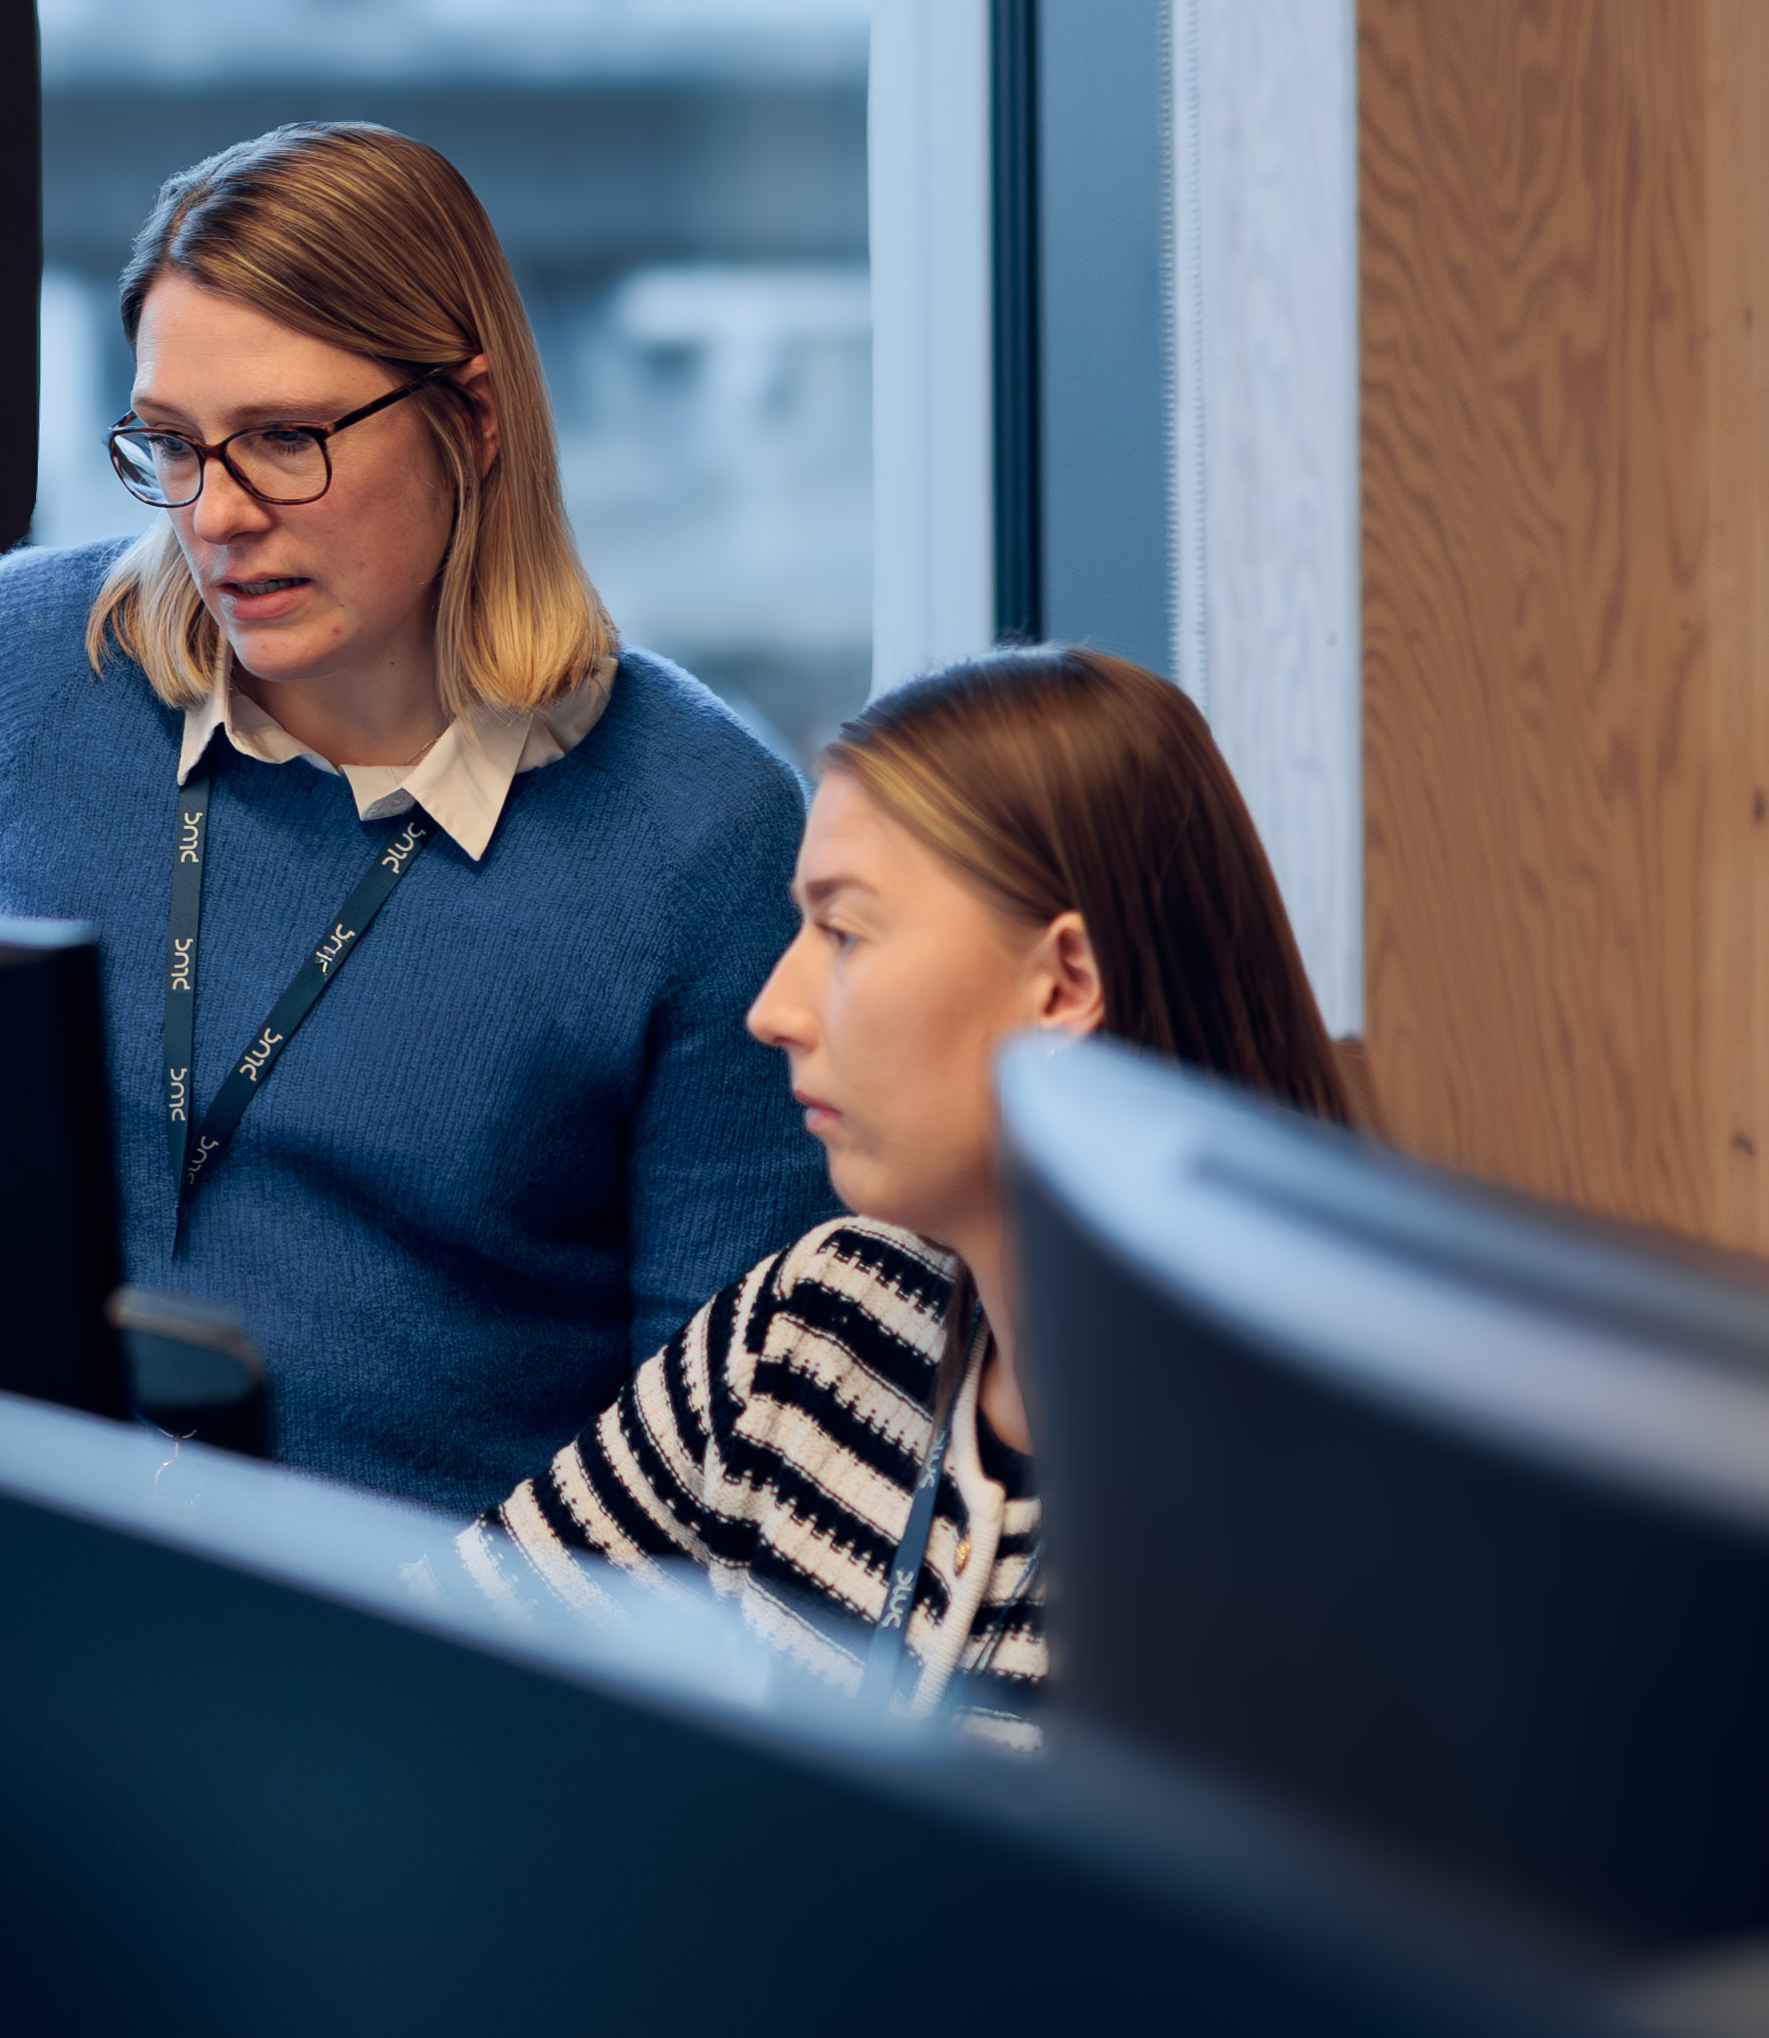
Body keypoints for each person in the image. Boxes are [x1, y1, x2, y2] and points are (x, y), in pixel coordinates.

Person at [0, 122, 829, 1508]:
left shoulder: (704, 835)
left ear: (473, 417)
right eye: (170, 447)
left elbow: (724, 1460)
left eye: (282, 441)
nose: (215, 516)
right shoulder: (23, 666)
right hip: (19, 1559)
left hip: (432, 1647)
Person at [447, 645, 1354, 1741]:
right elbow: (430, 1665)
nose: (772, 1010)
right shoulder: (814, 1324)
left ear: (1065, 983)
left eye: (843, 932)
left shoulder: (1301, 1537)